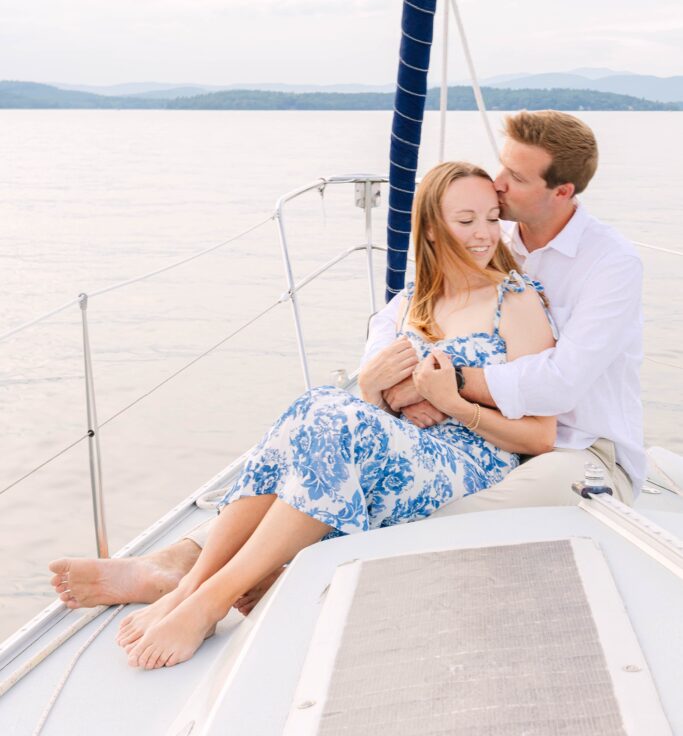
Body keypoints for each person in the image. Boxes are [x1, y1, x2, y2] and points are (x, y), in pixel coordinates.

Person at [53, 160, 556, 669]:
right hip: (401, 450)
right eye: (466, 220)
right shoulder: (413, 304)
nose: (484, 234)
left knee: (335, 416)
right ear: (430, 227)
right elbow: (378, 400)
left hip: (468, 461)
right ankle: (193, 586)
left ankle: (210, 598)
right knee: (317, 402)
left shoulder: (514, 301)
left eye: (492, 218)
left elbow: (542, 437)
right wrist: (386, 394)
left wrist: (452, 404)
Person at [380, 110, 643, 513]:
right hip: (484, 438)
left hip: (579, 450)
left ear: (561, 191)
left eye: (517, 177)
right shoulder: (489, 234)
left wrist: (442, 382)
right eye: (503, 164)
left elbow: (560, 383)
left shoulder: (610, 263)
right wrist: (384, 379)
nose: (498, 183)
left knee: (442, 518)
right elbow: (400, 310)